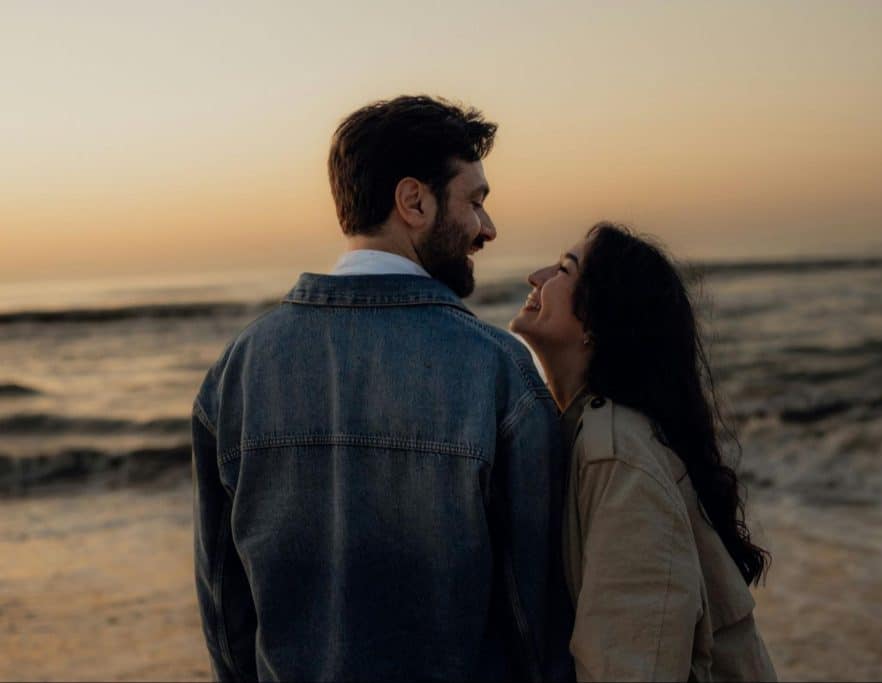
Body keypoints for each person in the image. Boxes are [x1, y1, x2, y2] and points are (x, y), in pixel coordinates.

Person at [191, 95, 573, 682]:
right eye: (475, 202)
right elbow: (536, 619)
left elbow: (225, 610)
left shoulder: (237, 370)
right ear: (414, 201)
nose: (488, 228)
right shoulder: (497, 371)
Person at [510, 222, 777, 682]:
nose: (535, 276)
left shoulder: (617, 455)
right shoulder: (586, 432)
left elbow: (632, 667)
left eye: (562, 270)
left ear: (596, 320)